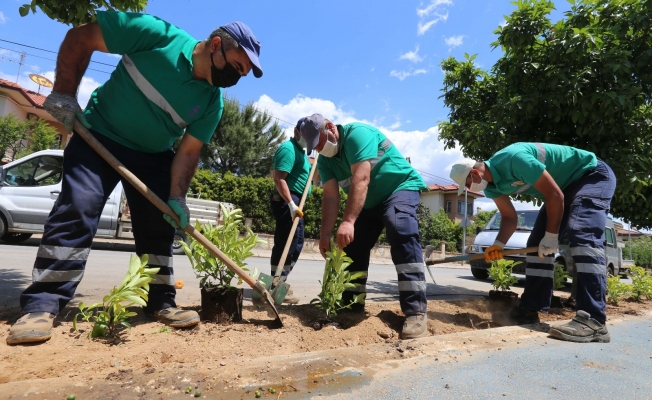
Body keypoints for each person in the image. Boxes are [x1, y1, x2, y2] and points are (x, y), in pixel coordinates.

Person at [7, 11, 263, 345]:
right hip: (98, 135)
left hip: (155, 156)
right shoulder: (157, 35)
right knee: (77, 209)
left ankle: (160, 302)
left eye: (243, 73)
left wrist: (177, 197)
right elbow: (80, 38)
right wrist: (64, 93)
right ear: (217, 45)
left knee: (159, 227)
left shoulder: (211, 103)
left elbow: (187, 152)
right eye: (238, 66)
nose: (237, 77)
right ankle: (42, 305)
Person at [450, 143, 616, 343]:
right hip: (564, 188)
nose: (468, 189)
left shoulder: (514, 159)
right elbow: (509, 218)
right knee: (536, 244)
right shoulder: (492, 187)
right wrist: (498, 245)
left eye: (467, 184)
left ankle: (594, 320)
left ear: (475, 173)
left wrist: (552, 236)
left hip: (591, 175)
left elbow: (555, 196)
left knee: (582, 233)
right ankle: (530, 309)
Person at [299, 114, 429, 339]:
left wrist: (348, 221)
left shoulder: (358, 134)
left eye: (320, 141)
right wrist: (325, 234)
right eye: (314, 147)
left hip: (399, 188)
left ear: (330, 127)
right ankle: (352, 304)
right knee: (352, 243)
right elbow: (330, 197)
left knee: (399, 227)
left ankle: (416, 312)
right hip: (369, 202)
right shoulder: (327, 159)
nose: (319, 148)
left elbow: (361, 179)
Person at [269, 118, 312, 304]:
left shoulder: (301, 152)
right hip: (288, 200)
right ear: (296, 131)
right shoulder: (288, 149)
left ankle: (280, 281)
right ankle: (275, 284)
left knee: (297, 244)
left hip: (296, 201)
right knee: (285, 244)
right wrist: (290, 204)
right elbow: (279, 179)